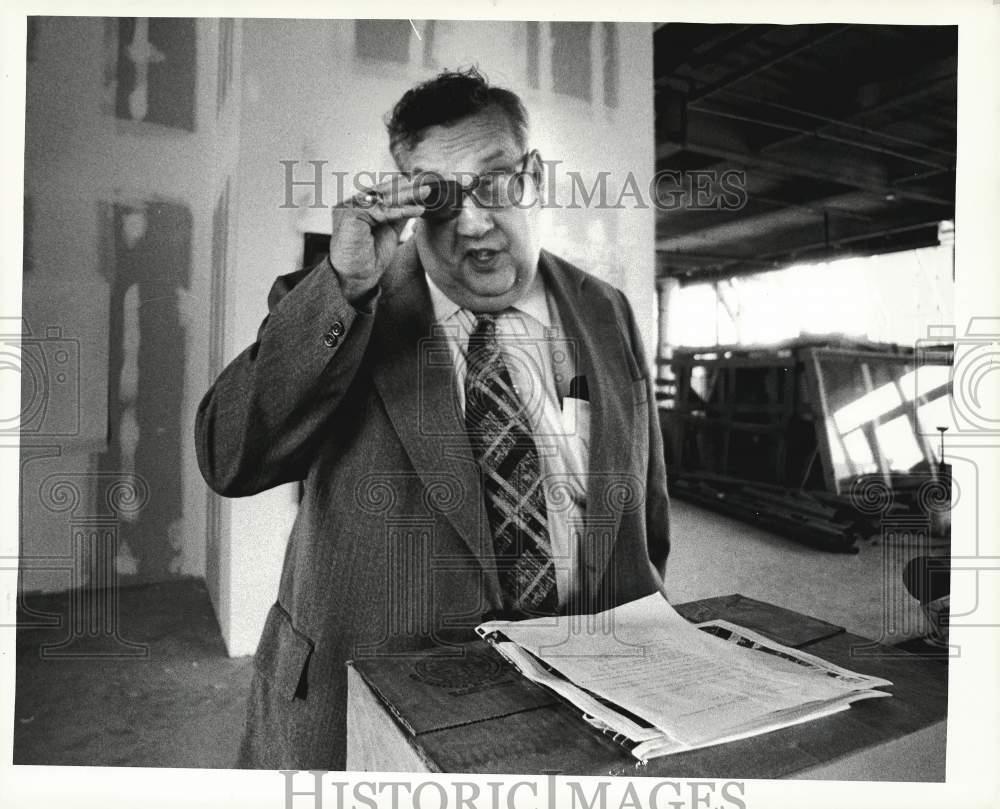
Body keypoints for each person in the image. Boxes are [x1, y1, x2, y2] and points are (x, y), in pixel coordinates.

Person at [195, 67, 671, 770]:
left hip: (581, 700)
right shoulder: (346, 300)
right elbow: (226, 455)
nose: (473, 222)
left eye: (497, 181)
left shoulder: (606, 309)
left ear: (535, 176)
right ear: (410, 202)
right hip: (373, 710)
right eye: (441, 198)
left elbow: (645, 511)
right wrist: (346, 287)